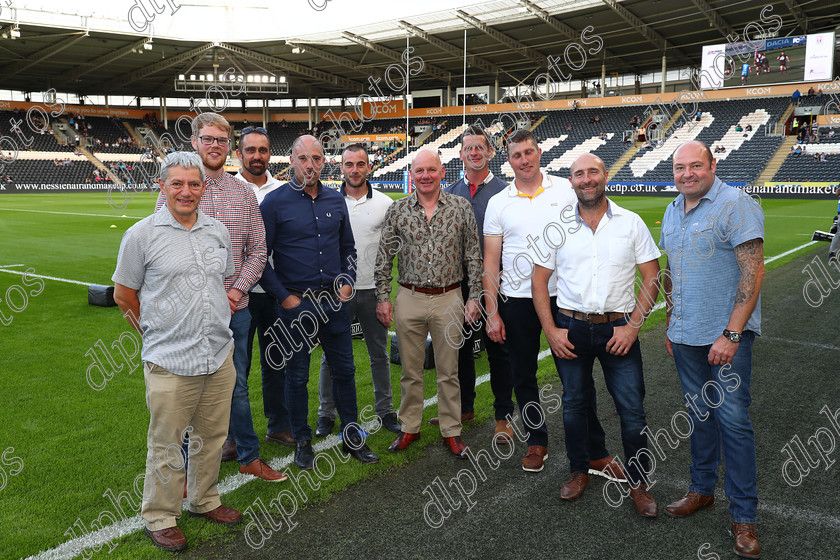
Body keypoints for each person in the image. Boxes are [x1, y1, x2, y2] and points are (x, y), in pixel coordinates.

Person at [113, 152, 243, 552]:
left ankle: (204, 500)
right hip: (170, 360)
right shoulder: (141, 235)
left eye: (194, 184)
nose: (186, 192)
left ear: (204, 188)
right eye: (177, 184)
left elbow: (221, 282)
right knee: (167, 443)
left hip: (218, 355)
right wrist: (154, 335)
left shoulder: (217, 231)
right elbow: (124, 295)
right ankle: (160, 516)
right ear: (162, 187)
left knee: (212, 436)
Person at [482, 129, 623, 478]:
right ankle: (536, 440)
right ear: (508, 160)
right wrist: (492, 312)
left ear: (539, 152)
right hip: (515, 300)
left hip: (566, 298)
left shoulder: (566, 188)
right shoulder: (499, 202)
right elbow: (490, 263)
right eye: (517, 155)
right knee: (523, 376)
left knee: (577, 379)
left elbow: (601, 224)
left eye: (529, 152)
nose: (524, 160)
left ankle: (594, 450)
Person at [154, 114, 285, 483]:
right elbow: (163, 251)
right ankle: (178, 473)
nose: (215, 146)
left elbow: (258, 251)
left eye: (221, 140)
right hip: (188, 314)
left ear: (229, 145)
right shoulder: (178, 189)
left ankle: (249, 456)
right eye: (207, 139)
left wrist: (235, 290)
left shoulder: (243, 193)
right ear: (195, 142)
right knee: (183, 390)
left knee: (237, 385)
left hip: (235, 309)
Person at [531, 153, 661, 515]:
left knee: (632, 411)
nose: (586, 179)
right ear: (570, 181)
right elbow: (538, 281)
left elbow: (653, 276)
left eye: (592, 172)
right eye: (578, 174)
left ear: (605, 175)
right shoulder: (557, 226)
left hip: (618, 329)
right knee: (574, 405)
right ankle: (579, 469)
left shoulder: (631, 223)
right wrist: (552, 330)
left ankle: (638, 483)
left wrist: (633, 326)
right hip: (570, 328)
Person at [660, 140, 765, 558]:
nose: (687, 173)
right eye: (680, 168)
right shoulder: (672, 211)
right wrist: (671, 319)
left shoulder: (735, 204)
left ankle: (744, 519)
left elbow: (753, 273)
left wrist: (733, 334)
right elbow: (671, 269)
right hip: (686, 336)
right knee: (699, 417)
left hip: (727, 340)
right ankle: (701, 490)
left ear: (713, 165)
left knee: (734, 424)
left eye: (695, 166)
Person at [260, 135, 379, 470]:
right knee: (297, 376)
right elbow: (258, 257)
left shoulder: (335, 199)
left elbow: (348, 250)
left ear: (324, 161)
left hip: (334, 303)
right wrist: (285, 298)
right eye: (302, 158)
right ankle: (302, 440)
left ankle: (352, 435)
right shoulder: (274, 202)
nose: (309, 165)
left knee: (345, 370)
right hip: (297, 307)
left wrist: (347, 281)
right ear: (291, 161)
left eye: (316, 157)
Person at [375, 149, 482, 459]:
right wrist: (383, 298)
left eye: (431, 170)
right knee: (411, 371)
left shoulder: (461, 208)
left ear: (442, 171)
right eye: (419, 170)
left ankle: (452, 430)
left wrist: (474, 296)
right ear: (412, 173)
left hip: (450, 297)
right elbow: (384, 259)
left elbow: (473, 256)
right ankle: (410, 426)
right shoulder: (398, 210)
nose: (425, 175)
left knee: (449, 372)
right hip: (409, 296)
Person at [436, 125, 515, 443]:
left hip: (497, 284)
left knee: (499, 350)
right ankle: (464, 408)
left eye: (480, 147)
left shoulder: (506, 193)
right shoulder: (450, 192)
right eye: (468, 148)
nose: (474, 152)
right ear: (460, 154)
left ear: (491, 152)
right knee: (459, 350)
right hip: (459, 285)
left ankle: (503, 417)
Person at [315, 144, 401, 437]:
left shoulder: (386, 204)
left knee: (379, 354)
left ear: (369, 167)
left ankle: (386, 410)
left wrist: (384, 294)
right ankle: (326, 413)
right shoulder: (326, 201)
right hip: (337, 293)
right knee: (331, 356)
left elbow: (391, 252)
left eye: (360, 164)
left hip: (372, 291)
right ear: (341, 168)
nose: (354, 170)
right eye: (349, 164)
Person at [233, 126, 294, 448]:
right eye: (250, 150)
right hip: (235, 295)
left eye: (263, 150)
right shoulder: (224, 188)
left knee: (276, 363)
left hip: (272, 293)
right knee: (233, 370)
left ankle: (279, 425)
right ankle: (232, 435)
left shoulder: (282, 190)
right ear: (239, 153)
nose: (257, 156)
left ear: (271, 154)